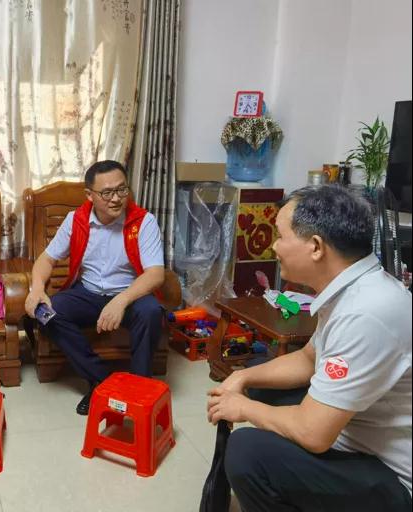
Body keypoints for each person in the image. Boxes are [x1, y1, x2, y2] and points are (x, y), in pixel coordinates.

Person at [206, 185, 412, 511]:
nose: (273, 246)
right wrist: (241, 377)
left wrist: (243, 409)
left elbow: (313, 434)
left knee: (248, 452)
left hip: (392, 479)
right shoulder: (351, 288)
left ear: (315, 247)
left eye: (280, 236)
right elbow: (307, 359)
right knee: (260, 380)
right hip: (356, 430)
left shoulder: (365, 313)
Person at [25, 160, 165, 415]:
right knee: (47, 313)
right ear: (89, 195)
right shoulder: (76, 220)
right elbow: (46, 259)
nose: (116, 199)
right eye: (107, 193)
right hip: (88, 293)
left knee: (151, 311)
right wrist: (36, 289)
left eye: (122, 189)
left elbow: (155, 274)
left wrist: (121, 300)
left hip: (130, 294)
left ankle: (139, 386)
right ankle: (102, 380)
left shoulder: (143, 222)